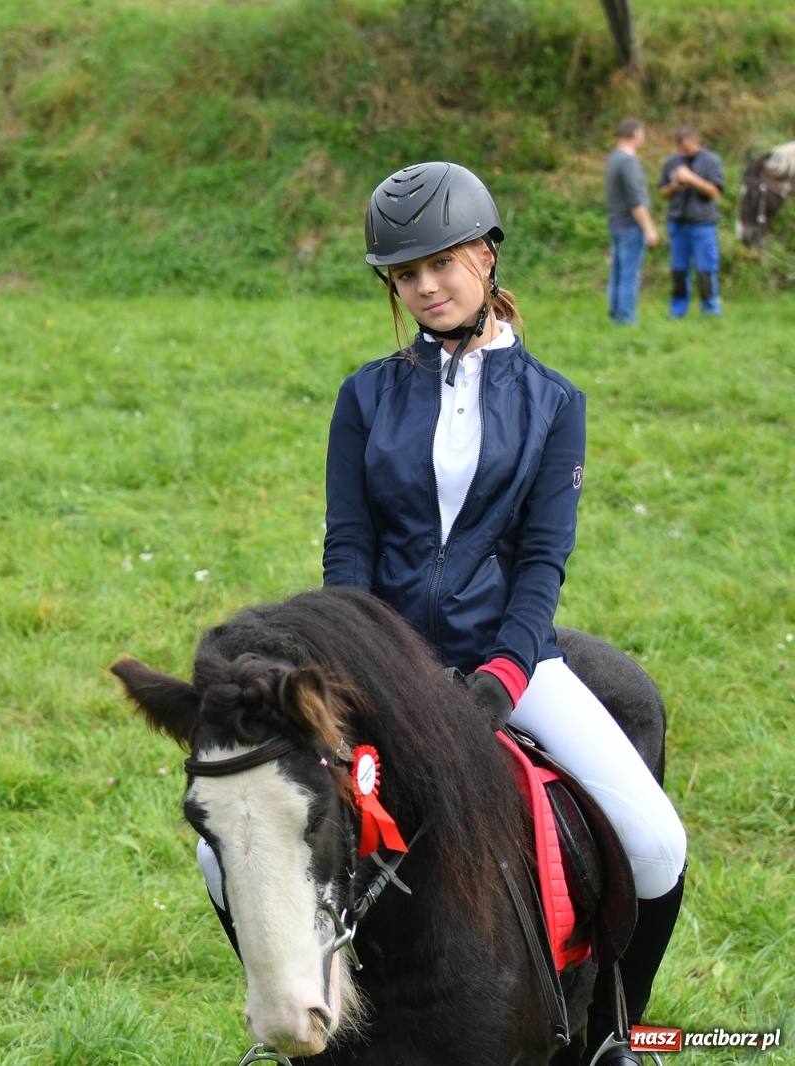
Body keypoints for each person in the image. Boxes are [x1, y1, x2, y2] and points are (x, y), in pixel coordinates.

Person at [323, 162, 687, 1065]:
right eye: (405, 276)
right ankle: (304, 1021)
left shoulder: (556, 404)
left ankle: (615, 1036)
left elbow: (540, 564)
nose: (426, 288)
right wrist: (362, 670)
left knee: (656, 841)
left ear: (487, 256)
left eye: (443, 264)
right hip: (385, 669)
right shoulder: (364, 396)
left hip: (513, 664)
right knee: (229, 851)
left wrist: (504, 676)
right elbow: (347, 554)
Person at [658, 126, 725, 318]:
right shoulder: (671, 162)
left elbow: (714, 191)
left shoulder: (712, 161)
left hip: (702, 224)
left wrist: (692, 179)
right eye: (680, 149)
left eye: (686, 148)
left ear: (697, 142)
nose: (683, 152)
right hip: (677, 224)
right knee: (678, 270)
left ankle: (710, 310)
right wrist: (674, 186)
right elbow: (662, 193)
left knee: (705, 269)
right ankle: (677, 311)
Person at [604, 117, 659, 325]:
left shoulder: (613, 158)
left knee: (618, 271)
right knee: (629, 274)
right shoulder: (628, 161)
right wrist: (649, 228)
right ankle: (626, 318)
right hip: (630, 225)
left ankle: (616, 315)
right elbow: (636, 200)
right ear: (636, 134)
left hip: (616, 222)